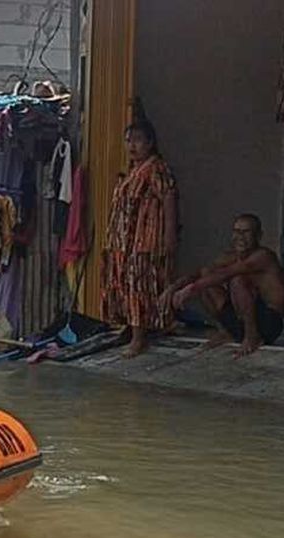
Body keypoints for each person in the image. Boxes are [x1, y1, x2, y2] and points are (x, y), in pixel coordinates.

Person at [102, 119, 179, 358]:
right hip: (123, 242)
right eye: (128, 141)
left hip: (144, 240)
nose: (132, 146)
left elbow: (168, 199)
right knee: (122, 284)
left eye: (137, 140)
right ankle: (128, 327)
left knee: (141, 285)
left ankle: (139, 338)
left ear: (150, 143)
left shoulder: (156, 168)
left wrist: (169, 235)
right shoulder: (132, 169)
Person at [163, 213, 284, 357]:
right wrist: (173, 288)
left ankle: (252, 337)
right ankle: (225, 331)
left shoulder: (264, 256)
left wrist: (190, 289)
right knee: (207, 276)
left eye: (246, 232)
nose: (240, 237)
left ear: (258, 236)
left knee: (237, 280)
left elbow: (227, 274)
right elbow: (201, 272)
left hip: (268, 324)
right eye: (236, 231)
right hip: (241, 320)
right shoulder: (231, 256)